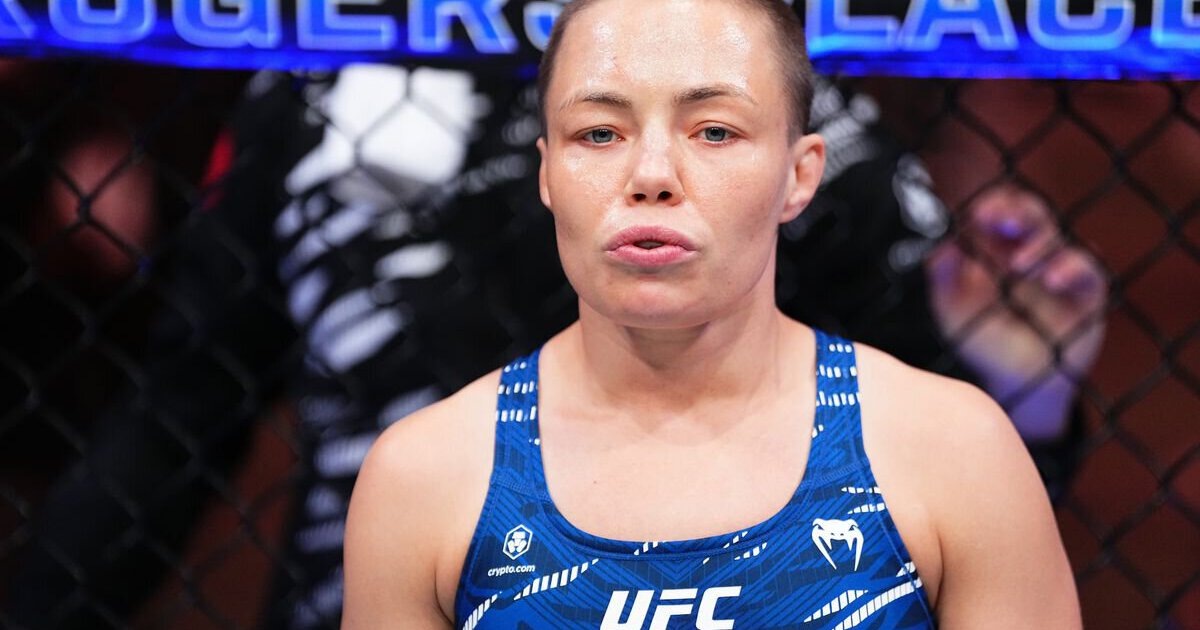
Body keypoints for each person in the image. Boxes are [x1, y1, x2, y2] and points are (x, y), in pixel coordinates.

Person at [342, 0, 1081, 628]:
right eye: (599, 133)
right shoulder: (425, 478)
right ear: (547, 174)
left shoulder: (955, 452)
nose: (651, 175)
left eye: (715, 131)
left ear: (800, 175)